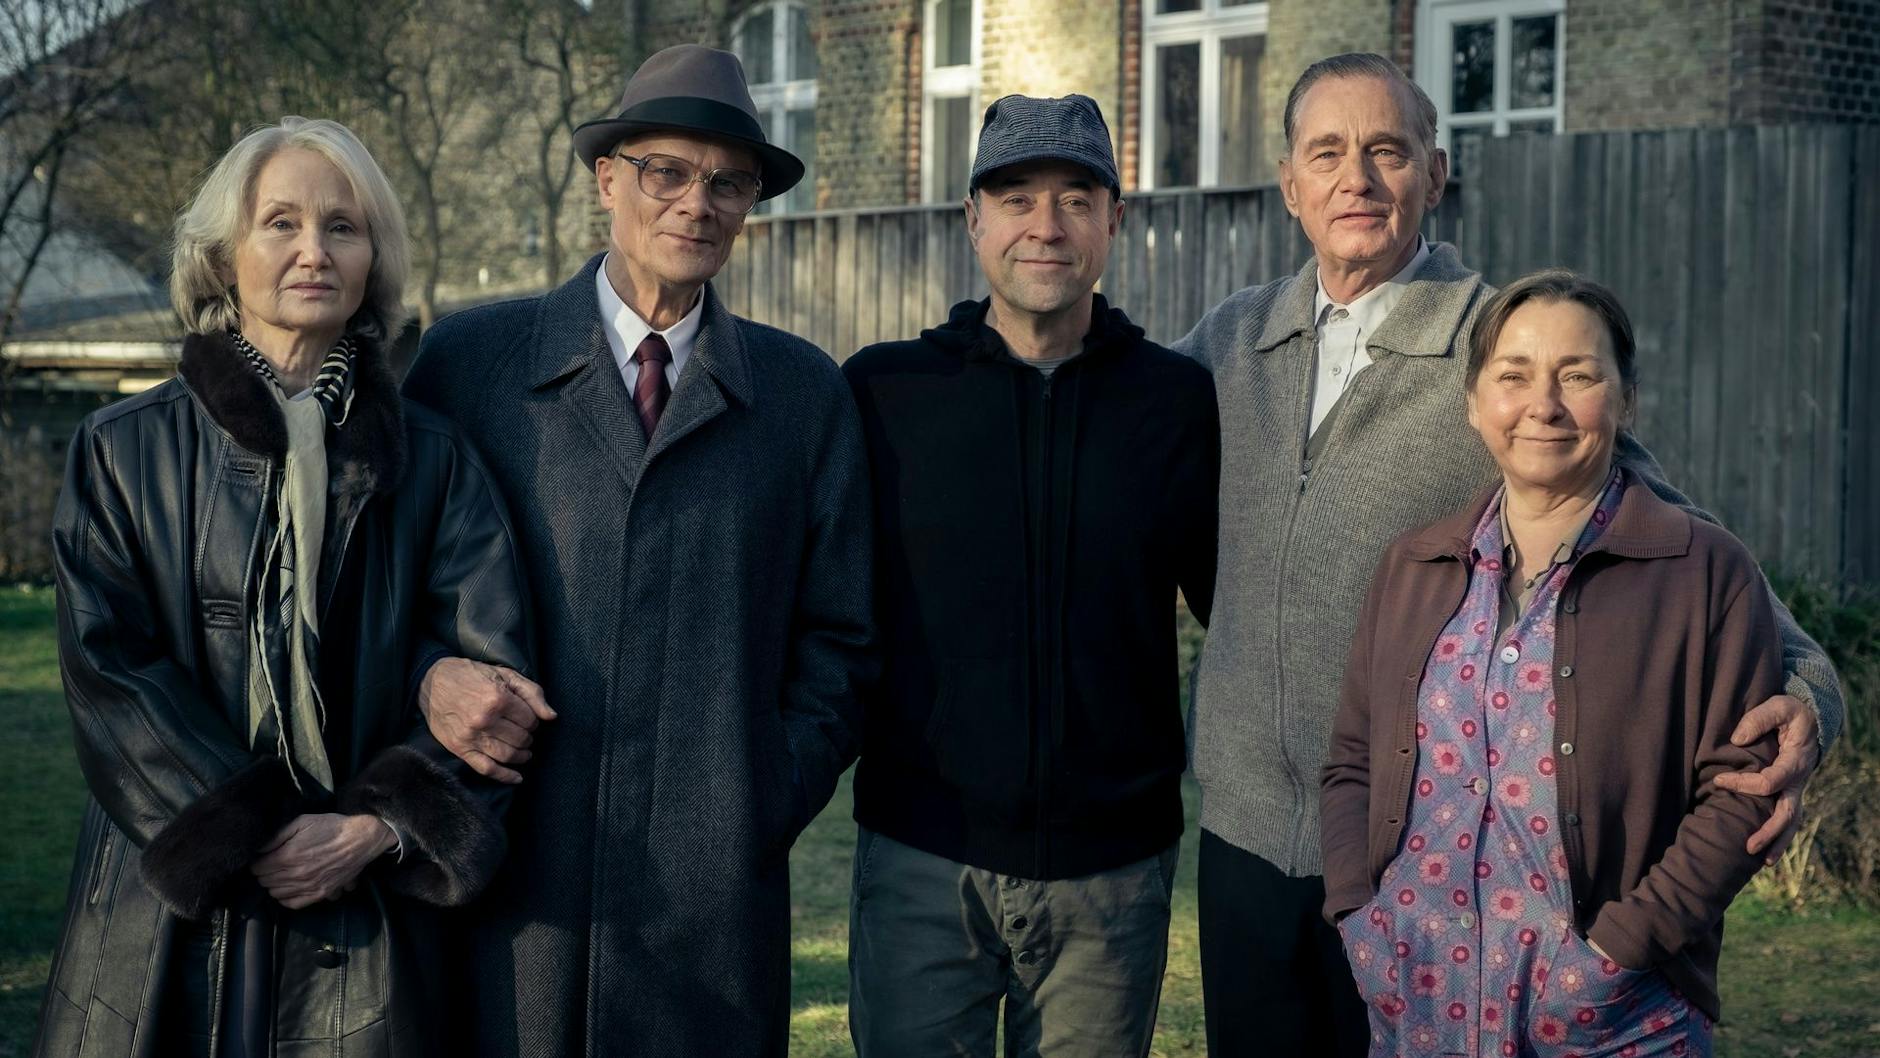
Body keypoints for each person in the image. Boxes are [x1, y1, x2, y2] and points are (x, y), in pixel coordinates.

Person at [1173, 53, 1844, 1057]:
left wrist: (1812, 688)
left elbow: (1672, 536)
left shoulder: (1496, 351)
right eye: (1326, 152)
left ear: (1433, 176)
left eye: (1385, 150)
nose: (1354, 177)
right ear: (1288, 183)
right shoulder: (1226, 343)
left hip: (1411, 868)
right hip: (1239, 843)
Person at [402, 44, 874, 1057]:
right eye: (666, 170)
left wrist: (754, 798)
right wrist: (429, 676)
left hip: (705, 914)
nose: (695, 203)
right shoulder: (467, 364)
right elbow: (383, 594)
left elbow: (839, 641)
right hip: (503, 874)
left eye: (728, 182)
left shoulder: (801, 396)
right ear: (606, 178)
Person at [33, 116, 531, 1058]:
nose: (314, 251)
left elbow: (495, 686)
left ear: (372, 258)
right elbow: (108, 669)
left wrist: (376, 829)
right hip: (159, 914)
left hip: (364, 927)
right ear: (225, 257)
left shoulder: (436, 460)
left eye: (342, 227)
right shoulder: (121, 449)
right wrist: (250, 826)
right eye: (281, 223)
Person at [842, 94, 1218, 1057]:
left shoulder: (1177, 404)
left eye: (1075, 198)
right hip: (923, 858)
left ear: (1114, 221)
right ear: (973, 219)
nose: (1045, 226)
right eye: (1015, 197)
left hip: (1110, 874)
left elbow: (1238, 608)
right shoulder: (886, 396)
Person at [1322, 270, 1776, 1057]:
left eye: (1578, 375)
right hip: (1420, 1000)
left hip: (1612, 1016)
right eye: (1514, 376)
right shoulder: (1415, 565)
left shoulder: (1701, 569)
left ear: (1624, 399)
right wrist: (1359, 913)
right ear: (1473, 403)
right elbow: (1353, 761)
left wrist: (1623, 949)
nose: (1544, 405)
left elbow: (1746, 795)